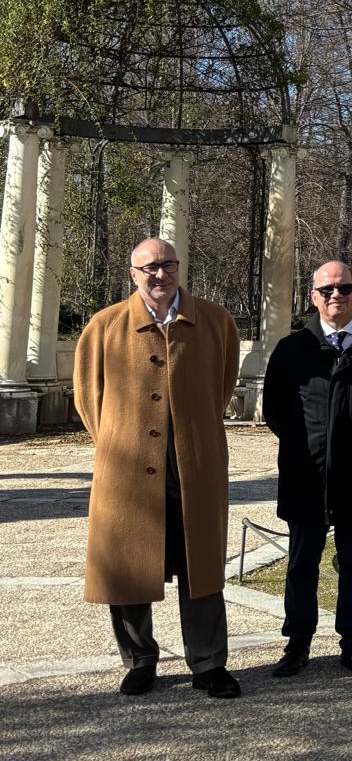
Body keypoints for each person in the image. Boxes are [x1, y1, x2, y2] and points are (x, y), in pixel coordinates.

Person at [74, 237, 242, 698]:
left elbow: (222, 385)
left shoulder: (215, 322)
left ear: (179, 267)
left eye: (167, 265)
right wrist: (118, 441)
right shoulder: (105, 326)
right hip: (127, 469)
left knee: (201, 566)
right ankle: (139, 660)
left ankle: (209, 664)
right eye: (148, 268)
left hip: (196, 464)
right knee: (128, 567)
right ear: (133, 274)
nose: (159, 274)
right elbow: (90, 399)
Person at [263, 260, 352, 678]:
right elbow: (276, 412)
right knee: (302, 565)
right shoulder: (292, 349)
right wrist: (308, 448)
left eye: (343, 289)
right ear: (312, 297)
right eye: (326, 290)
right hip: (306, 475)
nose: (335, 296)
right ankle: (297, 643)